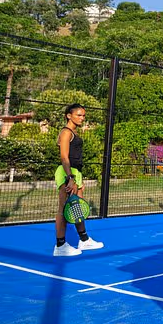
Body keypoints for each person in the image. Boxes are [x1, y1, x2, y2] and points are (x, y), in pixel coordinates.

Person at [53, 104, 104, 256]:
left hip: (75, 172)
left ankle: (84, 240)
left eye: (83, 115)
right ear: (69, 115)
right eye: (79, 115)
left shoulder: (73, 132)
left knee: (78, 208)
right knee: (63, 208)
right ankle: (60, 246)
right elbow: (64, 156)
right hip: (66, 172)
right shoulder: (66, 132)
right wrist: (70, 178)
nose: (82, 118)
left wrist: (77, 177)